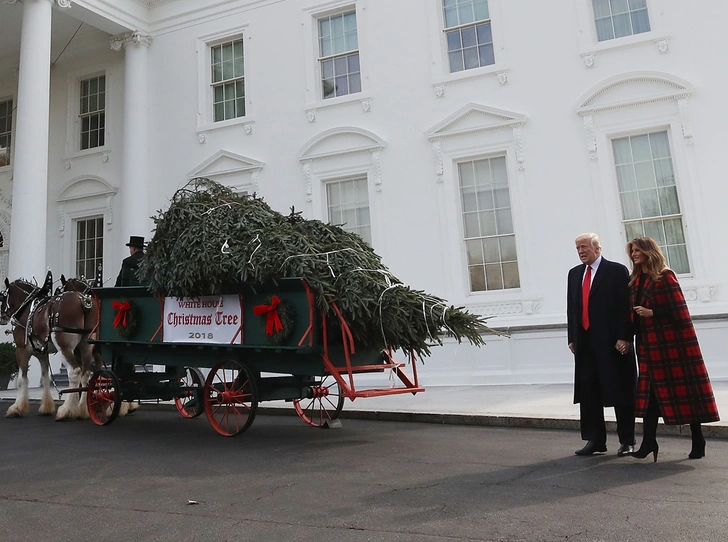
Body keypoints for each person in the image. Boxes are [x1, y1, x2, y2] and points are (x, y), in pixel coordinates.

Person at [628, 237, 719, 462]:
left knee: (685, 394)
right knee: (649, 397)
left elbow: (681, 313)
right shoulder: (636, 279)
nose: (634, 255)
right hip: (647, 347)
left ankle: (698, 439)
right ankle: (648, 442)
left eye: (638, 250)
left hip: (672, 347)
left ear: (649, 251)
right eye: (632, 251)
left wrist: (652, 313)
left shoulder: (665, 276)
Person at [567, 233, 637, 456]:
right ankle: (595, 440)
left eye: (584, 247)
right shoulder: (574, 274)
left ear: (597, 248)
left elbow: (625, 306)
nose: (580, 251)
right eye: (577, 248)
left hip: (613, 343)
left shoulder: (616, 271)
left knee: (620, 391)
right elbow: (572, 308)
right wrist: (572, 337)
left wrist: (625, 336)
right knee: (589, 393)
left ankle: (627, 440)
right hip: (586, 344)